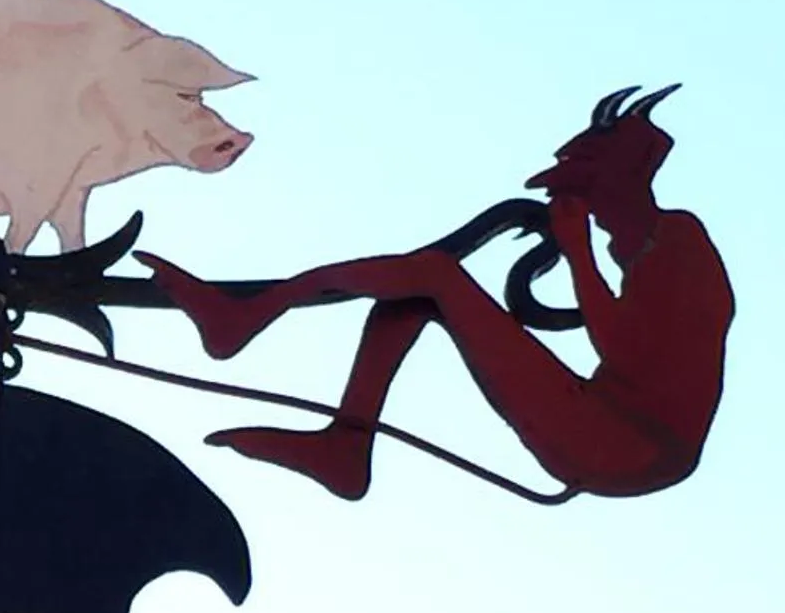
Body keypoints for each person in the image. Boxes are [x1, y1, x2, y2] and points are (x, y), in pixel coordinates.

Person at [139, 87, 733, 500]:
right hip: (613, 425)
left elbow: (627, 350)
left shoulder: (678, 245)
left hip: (630, 444)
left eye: (588, 204)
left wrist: (577, 250)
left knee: (436, 275)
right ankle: (346, 445)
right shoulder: (652, 253)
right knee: (423, 294)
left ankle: (245, 317)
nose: (590, 222)